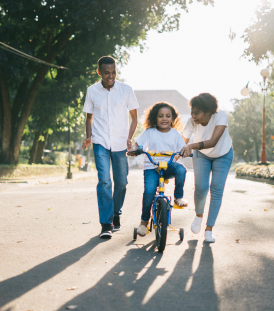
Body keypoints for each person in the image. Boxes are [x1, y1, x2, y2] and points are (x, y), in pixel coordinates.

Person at [82, 56, 139, 239]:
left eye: (113, 72)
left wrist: (130, 138)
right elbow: (89, 117)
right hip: (100, 143)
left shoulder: (126, 90)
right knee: (105, 181)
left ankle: (116, 213)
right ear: (99, 72)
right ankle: (106, 224)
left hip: (121, 143)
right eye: (106, 73)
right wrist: (89, 136)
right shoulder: (92, 91)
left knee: (121, 182)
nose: (111, 76)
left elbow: (134, 117)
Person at [129, 102, 188, 236]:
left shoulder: (176, 134)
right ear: (155, 117)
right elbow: (137, 144)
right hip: (152, 167)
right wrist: (134, 149)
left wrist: (185, 151)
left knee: (181, 170)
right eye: (160, 116)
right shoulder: (149, 132)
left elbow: (182, 148)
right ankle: (144, 222)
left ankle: (178, 197)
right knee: (149, 192)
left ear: (173, 119)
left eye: (168, 116)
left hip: (168, 166)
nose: (164, 119)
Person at [181, 93, 233, 243]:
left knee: (216, 189)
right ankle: (198, 215)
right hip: (201, 155)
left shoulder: (220, 116)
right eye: (192, 111)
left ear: (208, 111)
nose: (193, 115)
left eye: (197, 112)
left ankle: (209, 229)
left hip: (223, 154)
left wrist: (191, 146)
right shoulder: (192, 121)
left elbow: (213, 141)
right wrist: (174, 156)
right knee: (201, 187)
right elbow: (181, 141)